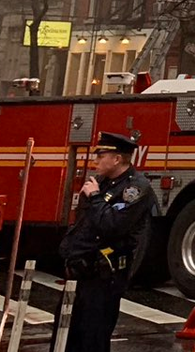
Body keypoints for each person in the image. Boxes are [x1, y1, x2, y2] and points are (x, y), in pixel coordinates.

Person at [59, 132, 156, 352]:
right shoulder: (101, 183)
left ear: (117, 158)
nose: (95, 161)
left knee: (93, 337)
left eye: (100, 155)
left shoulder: (135, 189)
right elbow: (84, 224)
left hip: (104, 275)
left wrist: (94, 198)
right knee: (67, 336)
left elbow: (113, 225)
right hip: (79, 271)